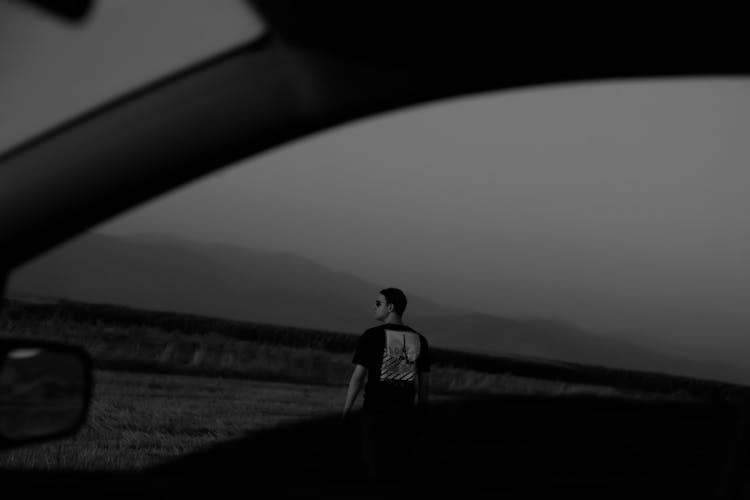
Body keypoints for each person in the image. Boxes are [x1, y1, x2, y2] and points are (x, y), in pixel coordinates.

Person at [342, 287, 430, 484]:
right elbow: (424, 386)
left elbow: (358, 378)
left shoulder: (371, 336)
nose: (373, 307)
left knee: (371, 465)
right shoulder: (419, 339)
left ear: (390, 307)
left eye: (378, 303)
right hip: (405, 415)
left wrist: (346, 411)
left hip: (375, 412)